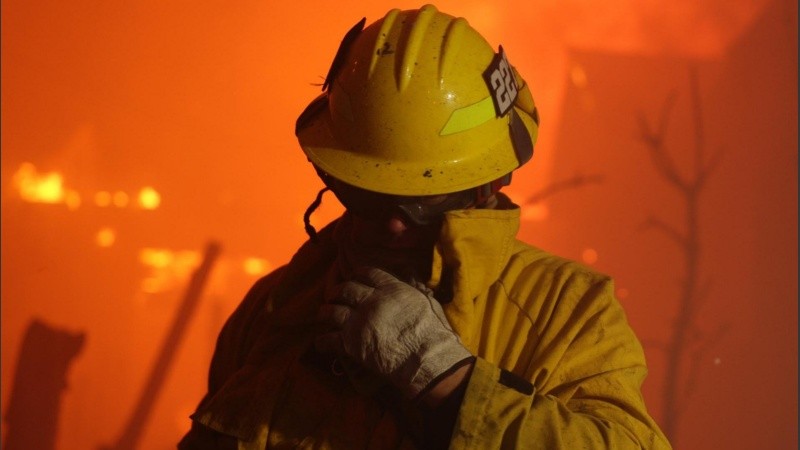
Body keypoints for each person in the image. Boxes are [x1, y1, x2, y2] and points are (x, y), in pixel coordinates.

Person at [179, 4, 671, 449]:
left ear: (488, 184)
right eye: (370, 195)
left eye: (425, 199)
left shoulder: (568, 313)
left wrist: (450, 381)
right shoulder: (277, 307)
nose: (394, 224)